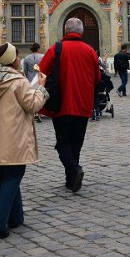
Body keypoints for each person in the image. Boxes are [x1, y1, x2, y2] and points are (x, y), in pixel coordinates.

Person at [0, 42, 48, 238]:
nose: (19, 59)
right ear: (12, 60)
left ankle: (16, 217)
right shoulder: (18, 82)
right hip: (14, 137)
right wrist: (41, 88)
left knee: (7, 175)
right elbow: (33, 105)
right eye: (17, 56)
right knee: (13, 175)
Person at [38, 17, 101, 193]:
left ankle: (74, 170)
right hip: (83, 105)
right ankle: (71, 180)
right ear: (81, 32)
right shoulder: (90, 51)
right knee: (76, 144)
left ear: (66, 31)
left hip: (62, 104)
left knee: (62, 143)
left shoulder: (56, 49)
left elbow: (42, 71)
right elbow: (97, 78)